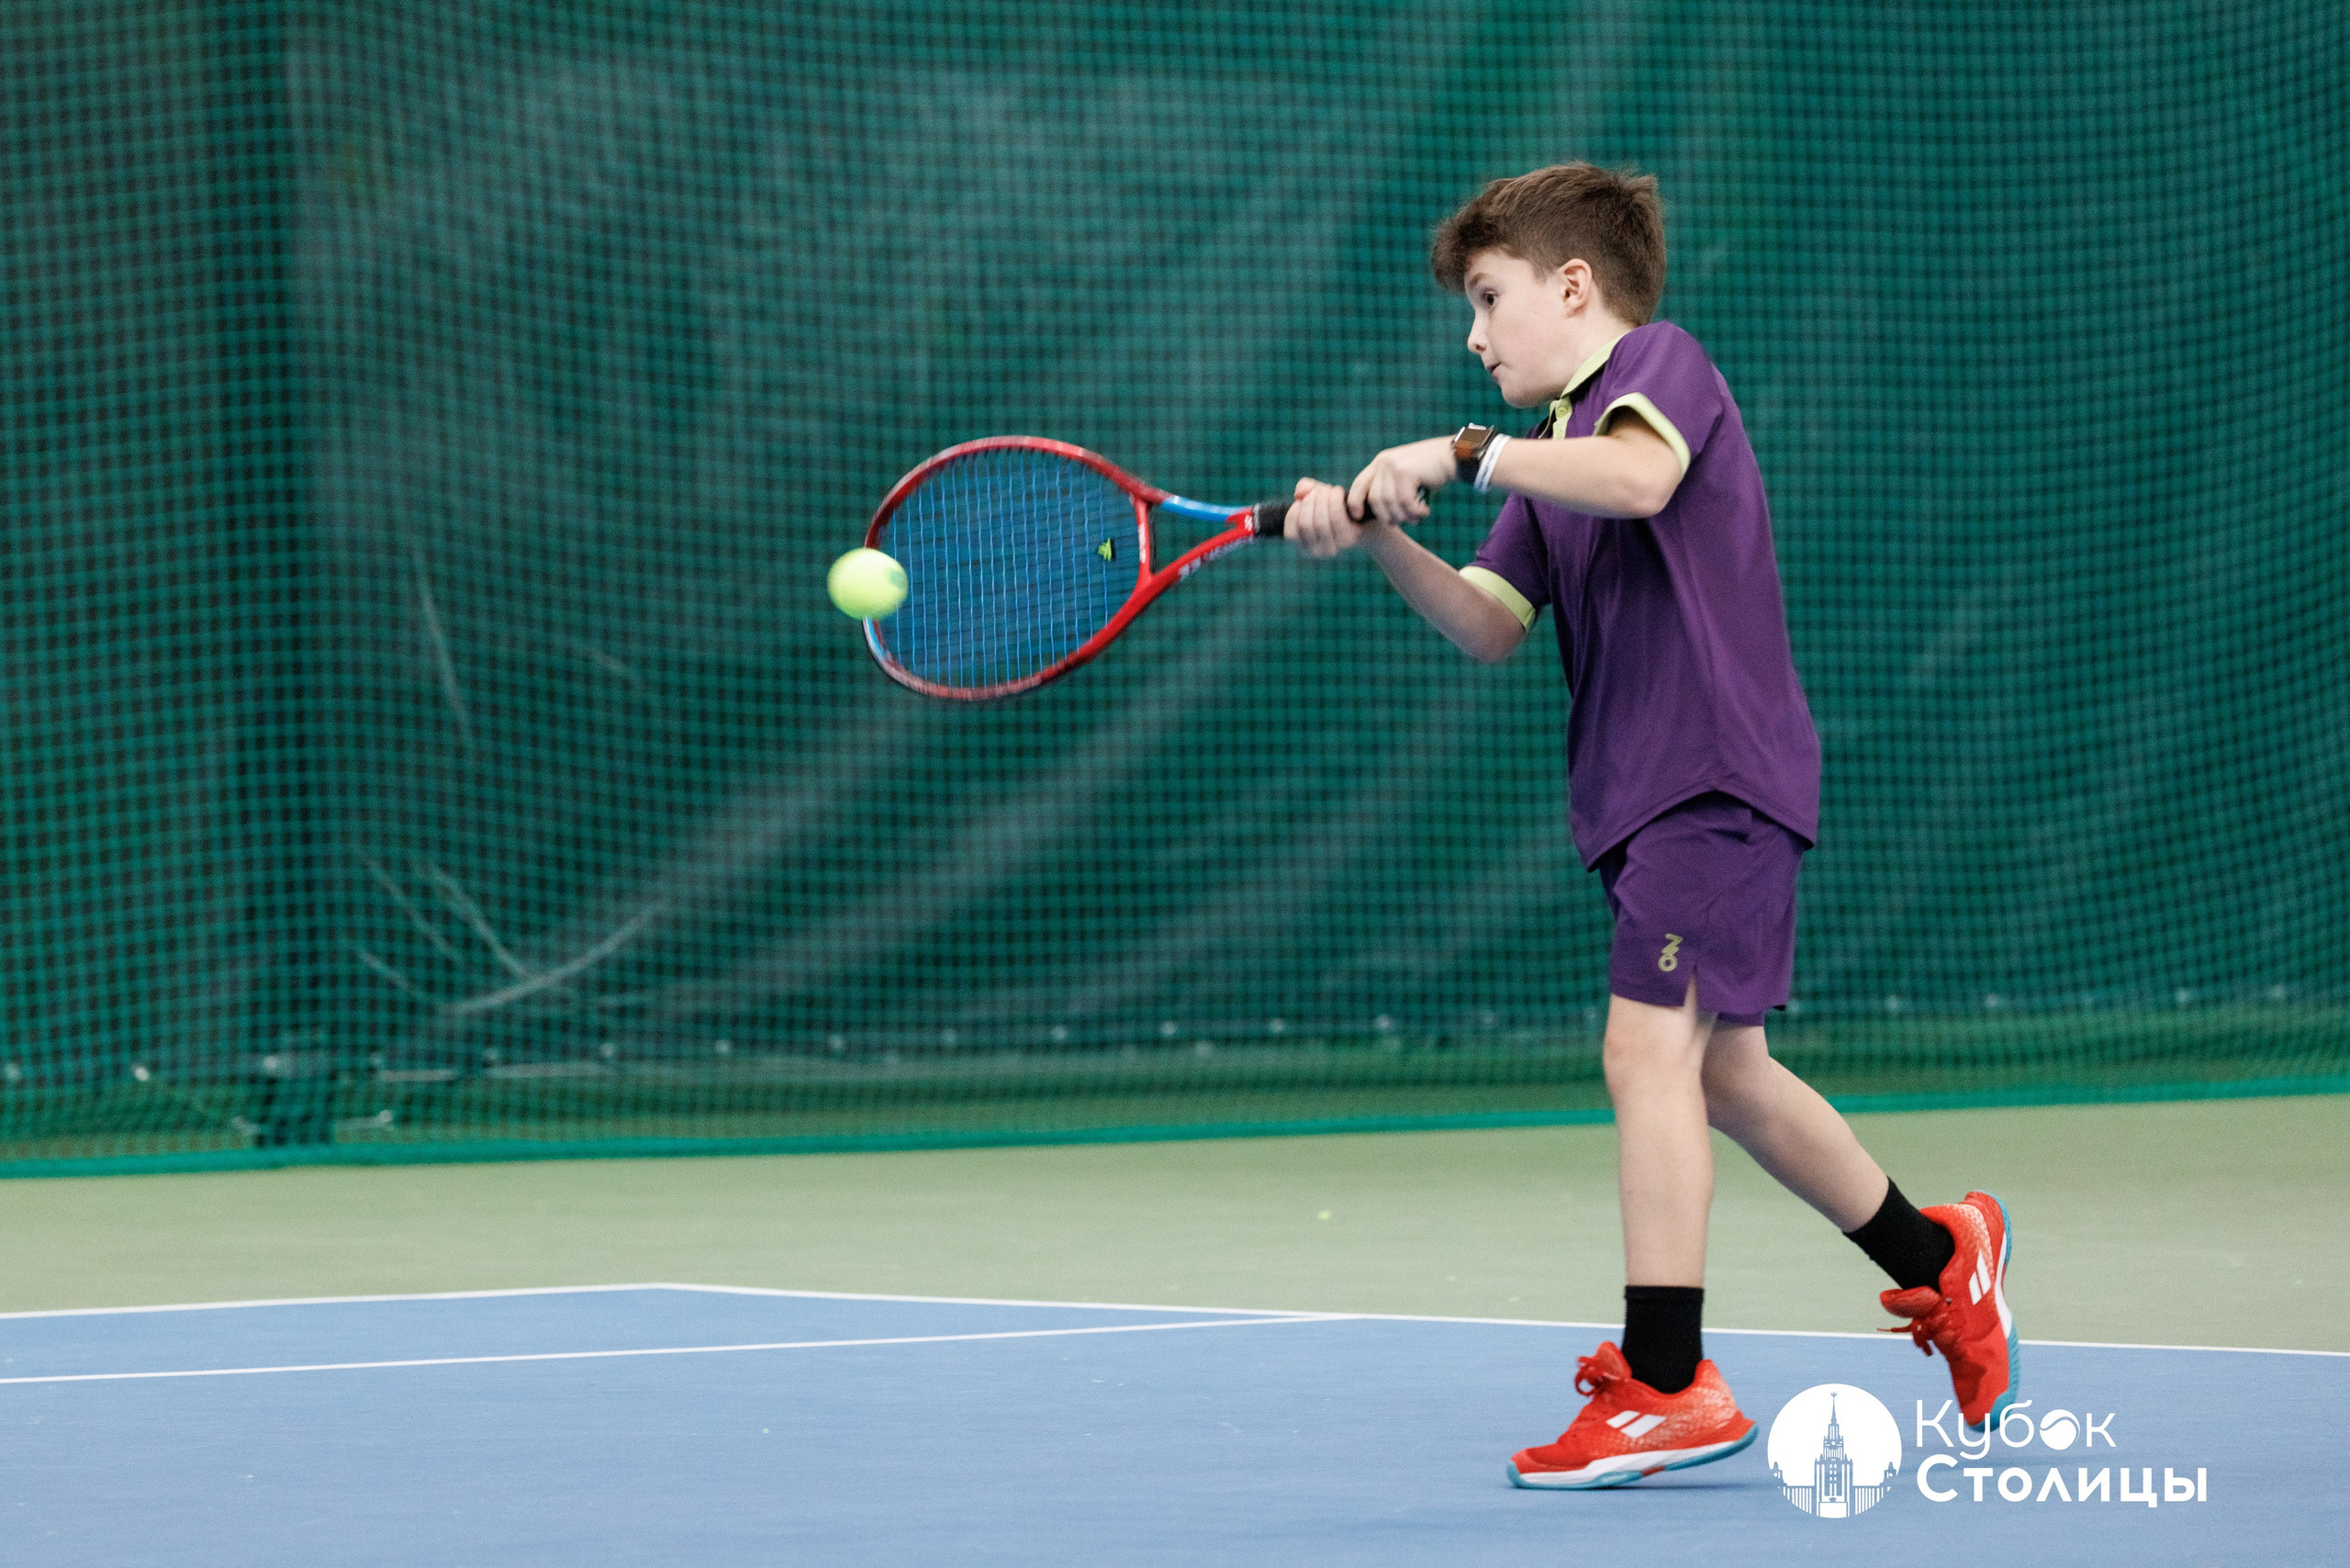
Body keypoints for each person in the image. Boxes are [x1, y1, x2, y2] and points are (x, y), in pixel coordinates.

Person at [1283, 162, 2016, 1490]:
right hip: (1642, 804)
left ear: (1574, 287)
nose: (1474, 331)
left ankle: (1668, 1380)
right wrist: (1380, 533)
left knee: (1643, 1056)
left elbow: (1633, 482)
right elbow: (1490, 627)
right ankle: (1940, 1256)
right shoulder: (1550, 464)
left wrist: (1453, 450)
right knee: (1722, 1075)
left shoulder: (1659, 372)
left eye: (1489, 298)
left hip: (1711, 779)